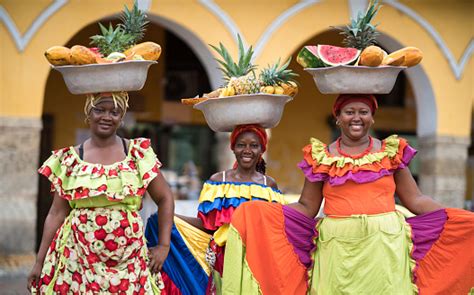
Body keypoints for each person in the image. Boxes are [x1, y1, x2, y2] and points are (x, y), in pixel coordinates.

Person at [222, 94, 474, 294]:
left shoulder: (390, 153)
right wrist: (262, 211)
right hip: (336, 252)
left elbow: (416, 200)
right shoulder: (321, 157)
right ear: (338, 118)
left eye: (363, 112)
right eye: (349, 112)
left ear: (372, 118)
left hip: (384, 249)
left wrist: (460, 217)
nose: (357, 117)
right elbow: (307, 207)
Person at [27, 92, 175, 294]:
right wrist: (39, 262)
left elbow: (165, 197)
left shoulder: (136, 154)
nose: (107, 116)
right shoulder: (71, 160)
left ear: (121, 117)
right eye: (100, 110)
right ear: (89, 112)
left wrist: (164, 246)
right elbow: (56, 214)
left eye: (114, 112)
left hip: (128, 259)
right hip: (78, 257)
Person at [145, 124, 286, 295]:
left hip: (257, 257)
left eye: (254, 145)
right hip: (224, 257)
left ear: (262, 148)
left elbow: (274, 228)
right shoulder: (218, 181)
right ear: (232, 147)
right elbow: (207, 225)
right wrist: (171, 219)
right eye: (241, 145)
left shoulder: (268, 185)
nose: (247, 150)